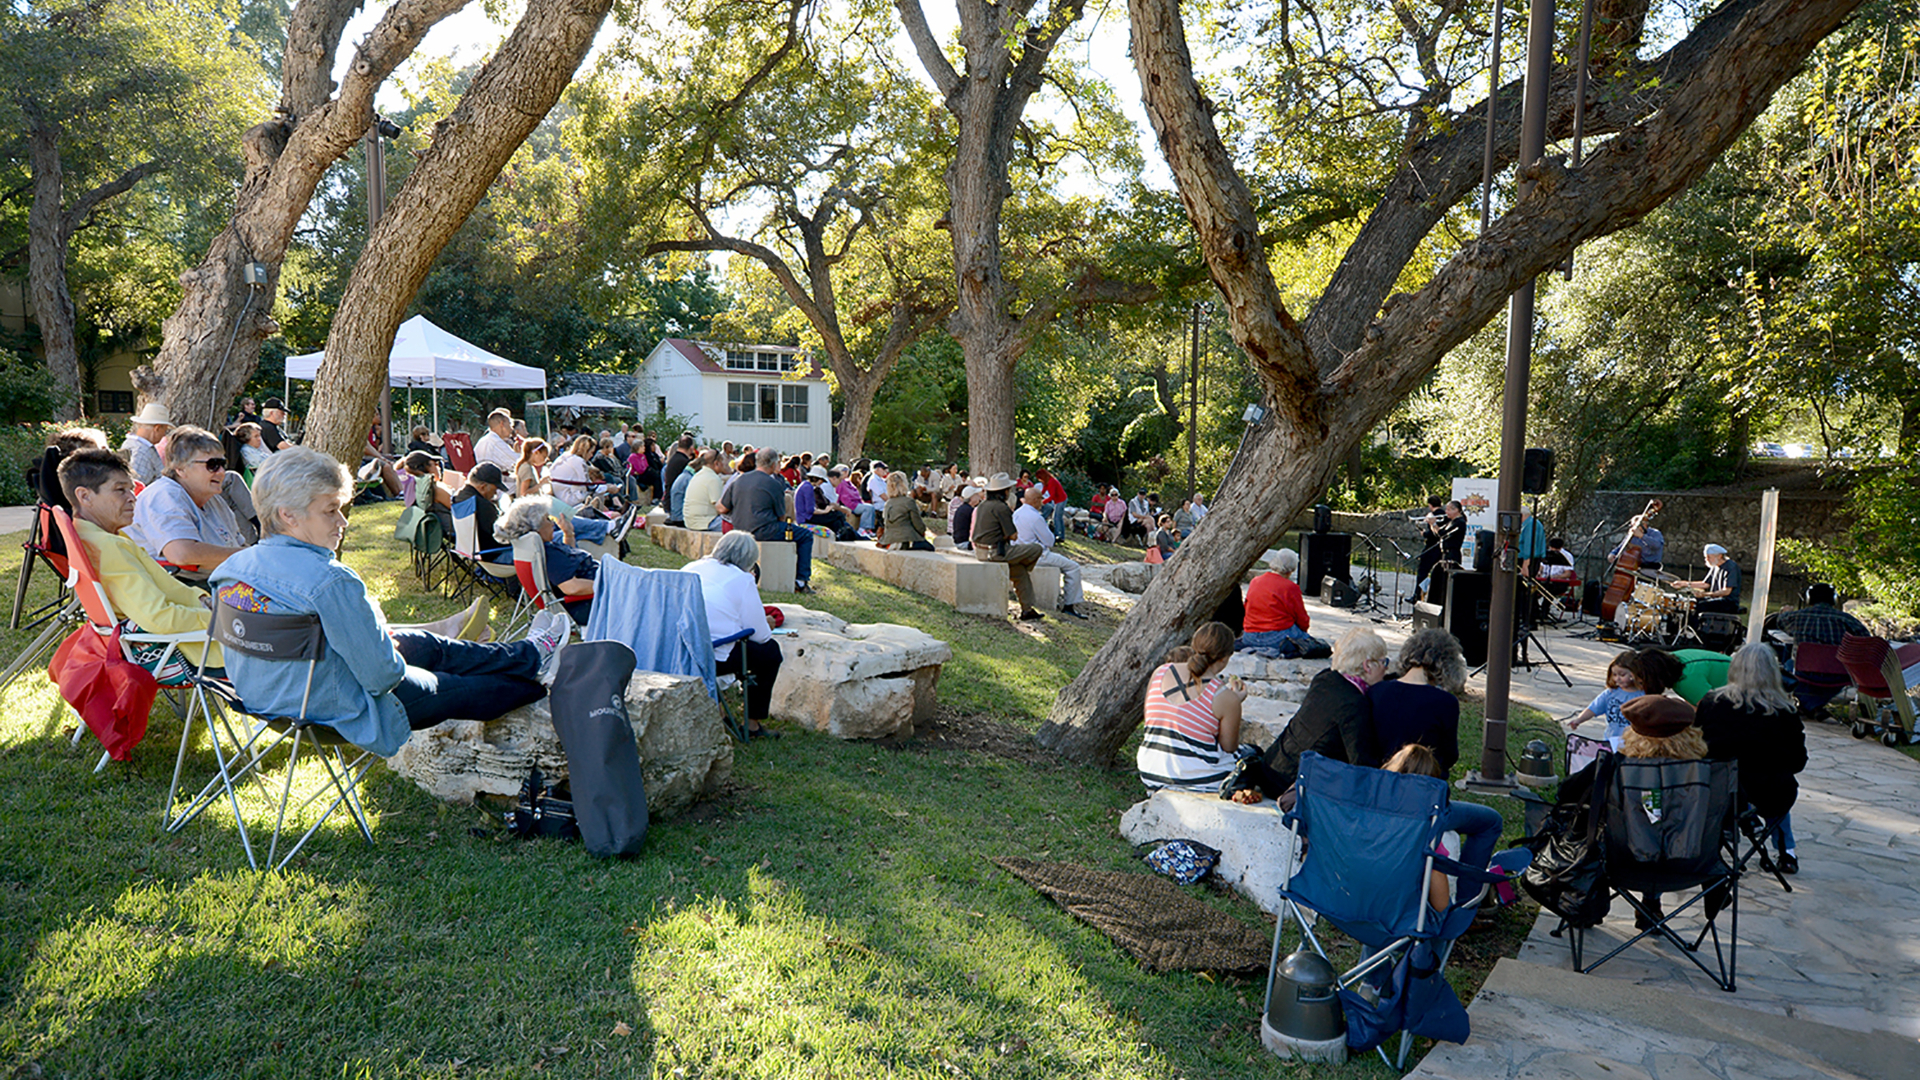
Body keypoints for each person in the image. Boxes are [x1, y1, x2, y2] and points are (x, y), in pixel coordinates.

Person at [211, 448, 566, 758]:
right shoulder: (329, 581)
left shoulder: (230, 570)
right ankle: (546, 682)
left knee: (423, 643)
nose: (343, 521)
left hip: (268, 700)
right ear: (288, 514)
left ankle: (530, 655)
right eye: (330, 510)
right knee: (470, 687)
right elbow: (384, 676)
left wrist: (379, 640)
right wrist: (379, 644)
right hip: (341, 708)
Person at [59, 450, 224, 680]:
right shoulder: (108, 547)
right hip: (181, 651)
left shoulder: (90, 536)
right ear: (85, 496)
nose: (132, 497)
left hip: (167, 641)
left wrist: (202, 601)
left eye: (130, 489)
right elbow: (158, 617)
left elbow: (165, 590)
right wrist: (223, 621)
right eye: (120, 490)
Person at [1695, 644, 1807, 874]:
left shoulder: (1711, 702)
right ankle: (1787, 853)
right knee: (1780, 786)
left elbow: (1696, 747)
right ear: (1772, 672)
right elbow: (1798, 762)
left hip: (1720, 793)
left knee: (1738, 784)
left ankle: (1717, 847)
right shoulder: (1785, 711)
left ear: (1734, 668)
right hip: (1769, 793)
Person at [1137, 623, 1283, 795]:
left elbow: (1153, 719)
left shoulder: (1161, 671)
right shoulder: (1224, 697)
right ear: (1224, 658)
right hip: (1192, 779)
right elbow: (1229, 747)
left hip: (1150, 771)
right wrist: (1235, 702)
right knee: (1253, 754)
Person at [1616, 692, 1705, 927]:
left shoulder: (1617, 766)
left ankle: (1588, 905)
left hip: (1623, 860)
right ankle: (1651, 903)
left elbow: (1567, 793)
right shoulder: (1708, 774)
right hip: (1692, 863)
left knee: (1645, 827)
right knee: (1658, 827)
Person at [1265, 627, 1389, 793]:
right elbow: (1362, 764)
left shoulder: (1325, 678)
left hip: (1273, 766)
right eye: (1383, 662)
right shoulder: (1353, 704)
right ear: (1367, 666)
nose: (1385, 668)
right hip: (1291, 784)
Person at [1381, 744, 1504, 910]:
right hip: (1409, 919)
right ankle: (1464, 906)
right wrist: (1446, 915)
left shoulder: (1366, 824)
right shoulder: (1430, 837)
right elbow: (1440, 903)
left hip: (1365, 910)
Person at [687, 530, 785, 739]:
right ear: (750, 561)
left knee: (746, 649)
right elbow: (761, 636)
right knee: (770, 653)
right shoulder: (741, 579)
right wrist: (767, 622)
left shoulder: (692, 567)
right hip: (710, 655)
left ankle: (721, 711)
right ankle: (752, 725)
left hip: (681, 649)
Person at [128, 426, 250, 571]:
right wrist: (248, 556)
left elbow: (239, 544)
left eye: (223, 464)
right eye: (212, 465)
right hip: (180, 586)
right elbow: (181, 553)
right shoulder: (164, 495)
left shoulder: (212, 499)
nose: (222, 472)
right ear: (181, 468)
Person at [1369, 628, 1466, 773]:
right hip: (1424, 780)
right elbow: (1450, 755)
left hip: (1381, 779)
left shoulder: (1376, 691)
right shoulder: (1446, 702)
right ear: (1447, 664)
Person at [718, 447, 813, 593]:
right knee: (806, 535)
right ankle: (801, 581)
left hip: (739, 528)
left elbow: (722, 508)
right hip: (765, 530)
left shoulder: (739, 479)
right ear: (774, 464)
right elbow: (781, 516)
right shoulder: (774, 484)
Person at [494, 499, 598, 624]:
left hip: (589, 596)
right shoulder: (549, 555)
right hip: (589, 604)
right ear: (536, 527)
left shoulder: (540, 548)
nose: (552, 523)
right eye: (547, 519)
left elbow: (569, 565)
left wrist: (568, 534)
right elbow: (572, 588)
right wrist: (610, 584)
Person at [968, 473, 1044, 621]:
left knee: (1020, 574)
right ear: (1003, 492)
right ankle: (1025, 566)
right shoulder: (1002, 508)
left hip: (980, 551)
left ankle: (1027, 610)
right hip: (997, 552)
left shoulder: (983, 505)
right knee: (1036, 548)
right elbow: (1013, 535)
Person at [1014, 485, 1088, 618]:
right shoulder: (1036, 517)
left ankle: (1069, 603)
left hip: (1018, 553)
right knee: (1073, 567)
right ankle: (1069, 604)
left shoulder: (1017, 513)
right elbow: (1049, 542)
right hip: (1038, 556)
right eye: (1041, 500)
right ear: (1036, 500)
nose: (1042, 503)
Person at [1561, 650, 1647, 751]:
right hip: (1610, 742)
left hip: (1633, 745)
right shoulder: (1610, 693)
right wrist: (1579, 720)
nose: (1617, 679)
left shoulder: (1643, 695)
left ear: (1634, 674)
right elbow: (1593, 708)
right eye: (1614, 675)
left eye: (1622, 675)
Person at [1238, 549, 1311, 650]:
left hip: (1250, 636)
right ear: (1292, 569)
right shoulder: (1290, 587)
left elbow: (1247, 607)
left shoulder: (1255, 581)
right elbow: (1301, 618)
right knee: (1307, 640)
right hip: (1276, 637)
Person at [453, 462, 510, 563]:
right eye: (495, 489)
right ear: (483, 487)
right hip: (493, 555)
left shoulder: (458, 497)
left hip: (470, 553)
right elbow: (503, 535)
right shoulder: (482, 505)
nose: (495, 493)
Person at [1778, 582, 1869, 645]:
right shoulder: (1848, 620)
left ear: (1809, 599)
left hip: (1803, 670)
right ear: (1834, 600)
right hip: (1838, 669)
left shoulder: (1795, 617)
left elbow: (1780, 622)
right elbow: (1866, 639)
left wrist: (1786, 611)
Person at [1677, 543, 1742, 614]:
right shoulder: (1715, 566)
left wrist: (1705, 594)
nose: (1706, 559)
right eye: (1705, 557)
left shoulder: (1731, 567)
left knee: (1700, 606)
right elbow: (1705, 584)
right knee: (1692, 602)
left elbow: (1726, 591)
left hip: (1728, 602)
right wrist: (1683, 584)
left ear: (1719, 556)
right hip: (1716, 599)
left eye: (1709, 557)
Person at [881, 471, 936, 551]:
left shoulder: (888, 503)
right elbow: (918, 525)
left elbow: (886, 522)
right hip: (906, 539)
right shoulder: (909, 502)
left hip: (889, 539)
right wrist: (923, 530)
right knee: (931, 549)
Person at [122, 402, 173, 485]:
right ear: (157, 428)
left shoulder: (134, 444)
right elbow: (137, 486)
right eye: (164, 430)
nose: (164, 435)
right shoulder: (141, 451)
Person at [796, 464, 852, 535]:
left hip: (807, 517)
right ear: (818, 479)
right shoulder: (808, 488)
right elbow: (810, 510)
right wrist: (825, 511)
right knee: (837, 515)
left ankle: (841, 535)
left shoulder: (806, 485)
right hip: (806, 518)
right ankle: (843, 535)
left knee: (836, 522)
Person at [683, 450, 728, 532]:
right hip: (706, 522)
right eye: (723, 462)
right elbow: (720, 508)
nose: (724, 465)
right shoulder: (713, 479)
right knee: (736, 525)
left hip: (690, 522)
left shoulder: (698, 475)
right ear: (716, 463)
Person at [472, 408, 520, 474]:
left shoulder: (488, 439)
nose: (512, 429)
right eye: (510, 425)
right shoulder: (495, 441)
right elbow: (517, 462)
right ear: (502, 424)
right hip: (491, 480)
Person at [832, 466, 877, 535]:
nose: (845, 472)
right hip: (850, 504)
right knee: (869, 508)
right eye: (843, 471)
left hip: (856, 502)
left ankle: (868, 530)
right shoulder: (839, 483)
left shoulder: (848, 482)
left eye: (846, 471)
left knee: (871, 507)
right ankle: (863, 529)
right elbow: (837, 495)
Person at [1035, 467, 1070, 537]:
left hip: (1061, 500)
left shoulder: (1051, 482)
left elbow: (1052, 496)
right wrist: (1038, 496)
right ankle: (1061, 534)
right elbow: (1044, 490)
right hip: (1058, 500)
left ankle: (1058, 534)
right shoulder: (1047, 482)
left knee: (1056, 517)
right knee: (1059, 517)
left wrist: (1043, 502)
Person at [662, 434, 696, 498]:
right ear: (691, 448)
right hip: (675, 499)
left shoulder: (673, 459)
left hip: (669, 497)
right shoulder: (684, 462)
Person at [949, 484, 978, 549]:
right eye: (976, 495)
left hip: (958, 541)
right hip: (964, 543)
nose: (978, 497)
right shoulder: (970, 510)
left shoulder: (961, 508)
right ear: (971, 498)